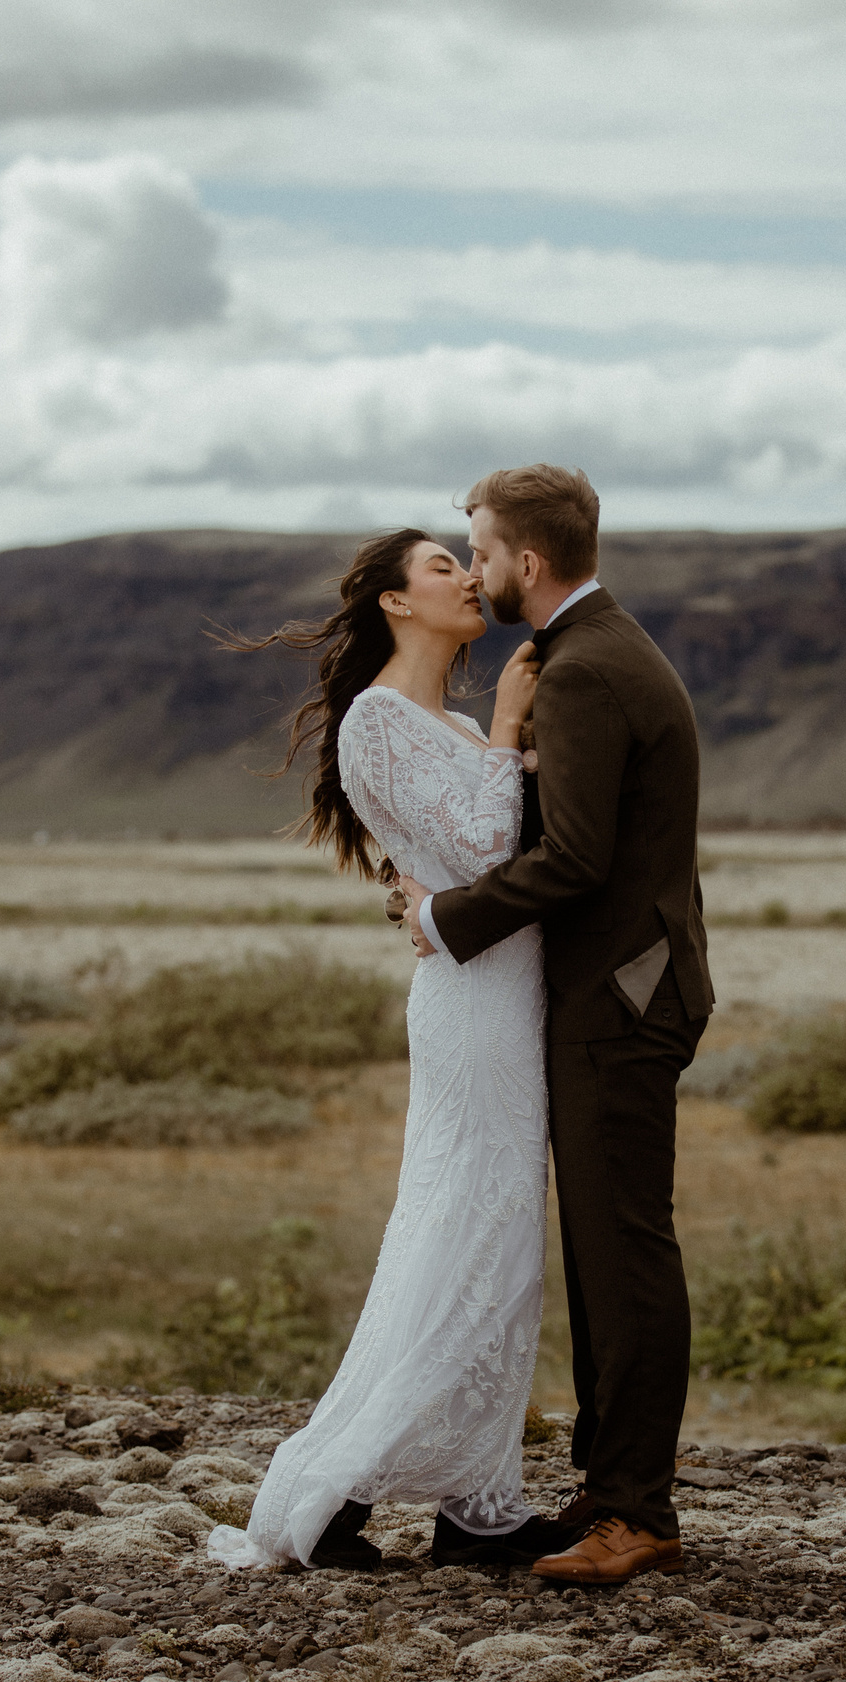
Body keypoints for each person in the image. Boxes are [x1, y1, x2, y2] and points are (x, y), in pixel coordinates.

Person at [206, 526, 574, 1572]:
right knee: (466, 1221)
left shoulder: (448, 724)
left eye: (467, 560)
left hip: (510, 991)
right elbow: (482, 851)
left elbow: (498, 857)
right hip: (471, 1005)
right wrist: (510, 727)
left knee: (502, 1239)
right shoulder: (377, 723)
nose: (467, 576)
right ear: (395, 605)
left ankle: (478, 1502)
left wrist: (504, 745)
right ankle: (338, 1494)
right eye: (440, 566)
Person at [402, 463, 714, 1585]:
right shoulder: (594, 654)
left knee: (624, 1251)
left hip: (620, 1000)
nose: (474, 567)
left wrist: (447, 919)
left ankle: (639, 1512)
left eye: (478, 549)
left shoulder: (587, 670)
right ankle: (611, 1482)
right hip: (625, 992)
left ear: (526, 561)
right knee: (606, 1247)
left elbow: (576, 859)